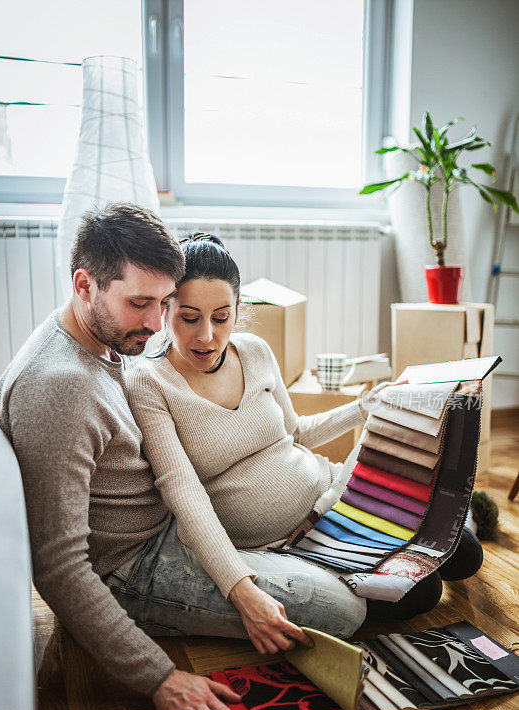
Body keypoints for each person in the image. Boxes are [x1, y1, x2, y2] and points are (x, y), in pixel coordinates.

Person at [124, 233, 483, 650]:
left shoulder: (254, 351)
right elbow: (184, 495)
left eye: (221, 317)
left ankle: (415, 528)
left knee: (467, 554)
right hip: (283, 546)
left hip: (334, 496)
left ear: (239, 311)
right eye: (189, 318)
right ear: (165, 309)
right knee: (424, 594)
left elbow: (296, 433)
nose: (206, 336)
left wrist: (362, 407)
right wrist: (238, 586)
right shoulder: (149, 382)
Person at [0, 205, 251, 710]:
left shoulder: (99, 336)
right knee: (343, 613)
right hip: (133, 570)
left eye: (163, 303)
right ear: (85, 284)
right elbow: (59, 566)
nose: (157, 324)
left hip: (171, 524)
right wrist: (159, 678)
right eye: (140, 304)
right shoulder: (60, 389)